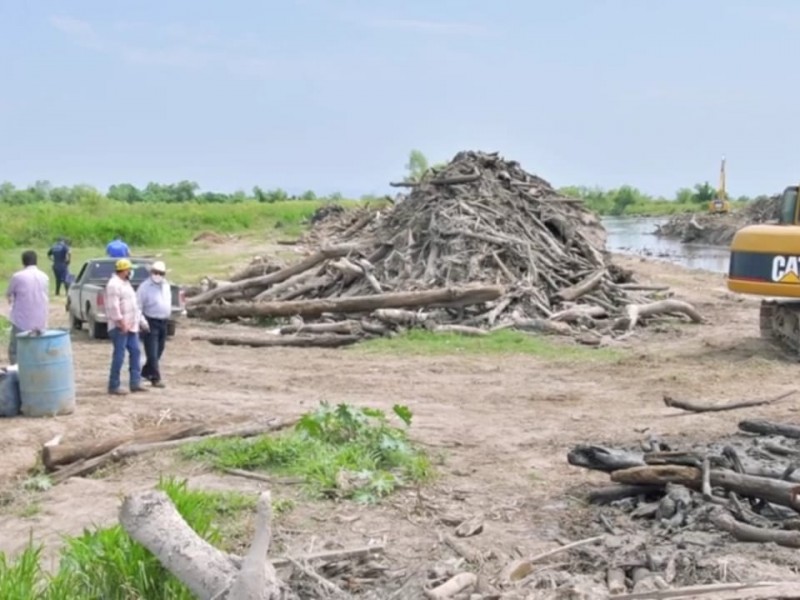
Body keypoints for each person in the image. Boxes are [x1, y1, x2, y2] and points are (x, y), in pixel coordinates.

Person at [105, 258, 149, 395]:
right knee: (119, 355)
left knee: (135, 352)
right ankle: (114, 385)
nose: (131, 272)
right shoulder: (113, 285)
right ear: (124, 270)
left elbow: (134, 306)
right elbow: (113, 306)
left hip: (132, 326)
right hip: (120, 327)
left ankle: (135, 383)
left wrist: (142, 321)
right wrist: (121, 322)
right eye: (129, 269)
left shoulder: (126, 284)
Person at [4, 251, 49, 365]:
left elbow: (9, 293)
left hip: (22, 319)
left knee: (15, 350)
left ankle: (17, 372)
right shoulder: (44, 276)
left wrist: (11, 298)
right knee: (37, 348)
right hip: (41, 319)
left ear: (23, 261)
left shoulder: (18, 276)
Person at [136, 260, 171, 388]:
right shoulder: (144, 287)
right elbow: (138, 306)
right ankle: (156, 378)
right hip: (150, 321)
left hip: (164, 321)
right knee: (152, 351)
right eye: (155, 272)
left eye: (161, 273)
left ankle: (146, 372)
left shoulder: (166, 285)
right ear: (151, 272)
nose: (158, 275)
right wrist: (142, 321)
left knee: (159, 350)